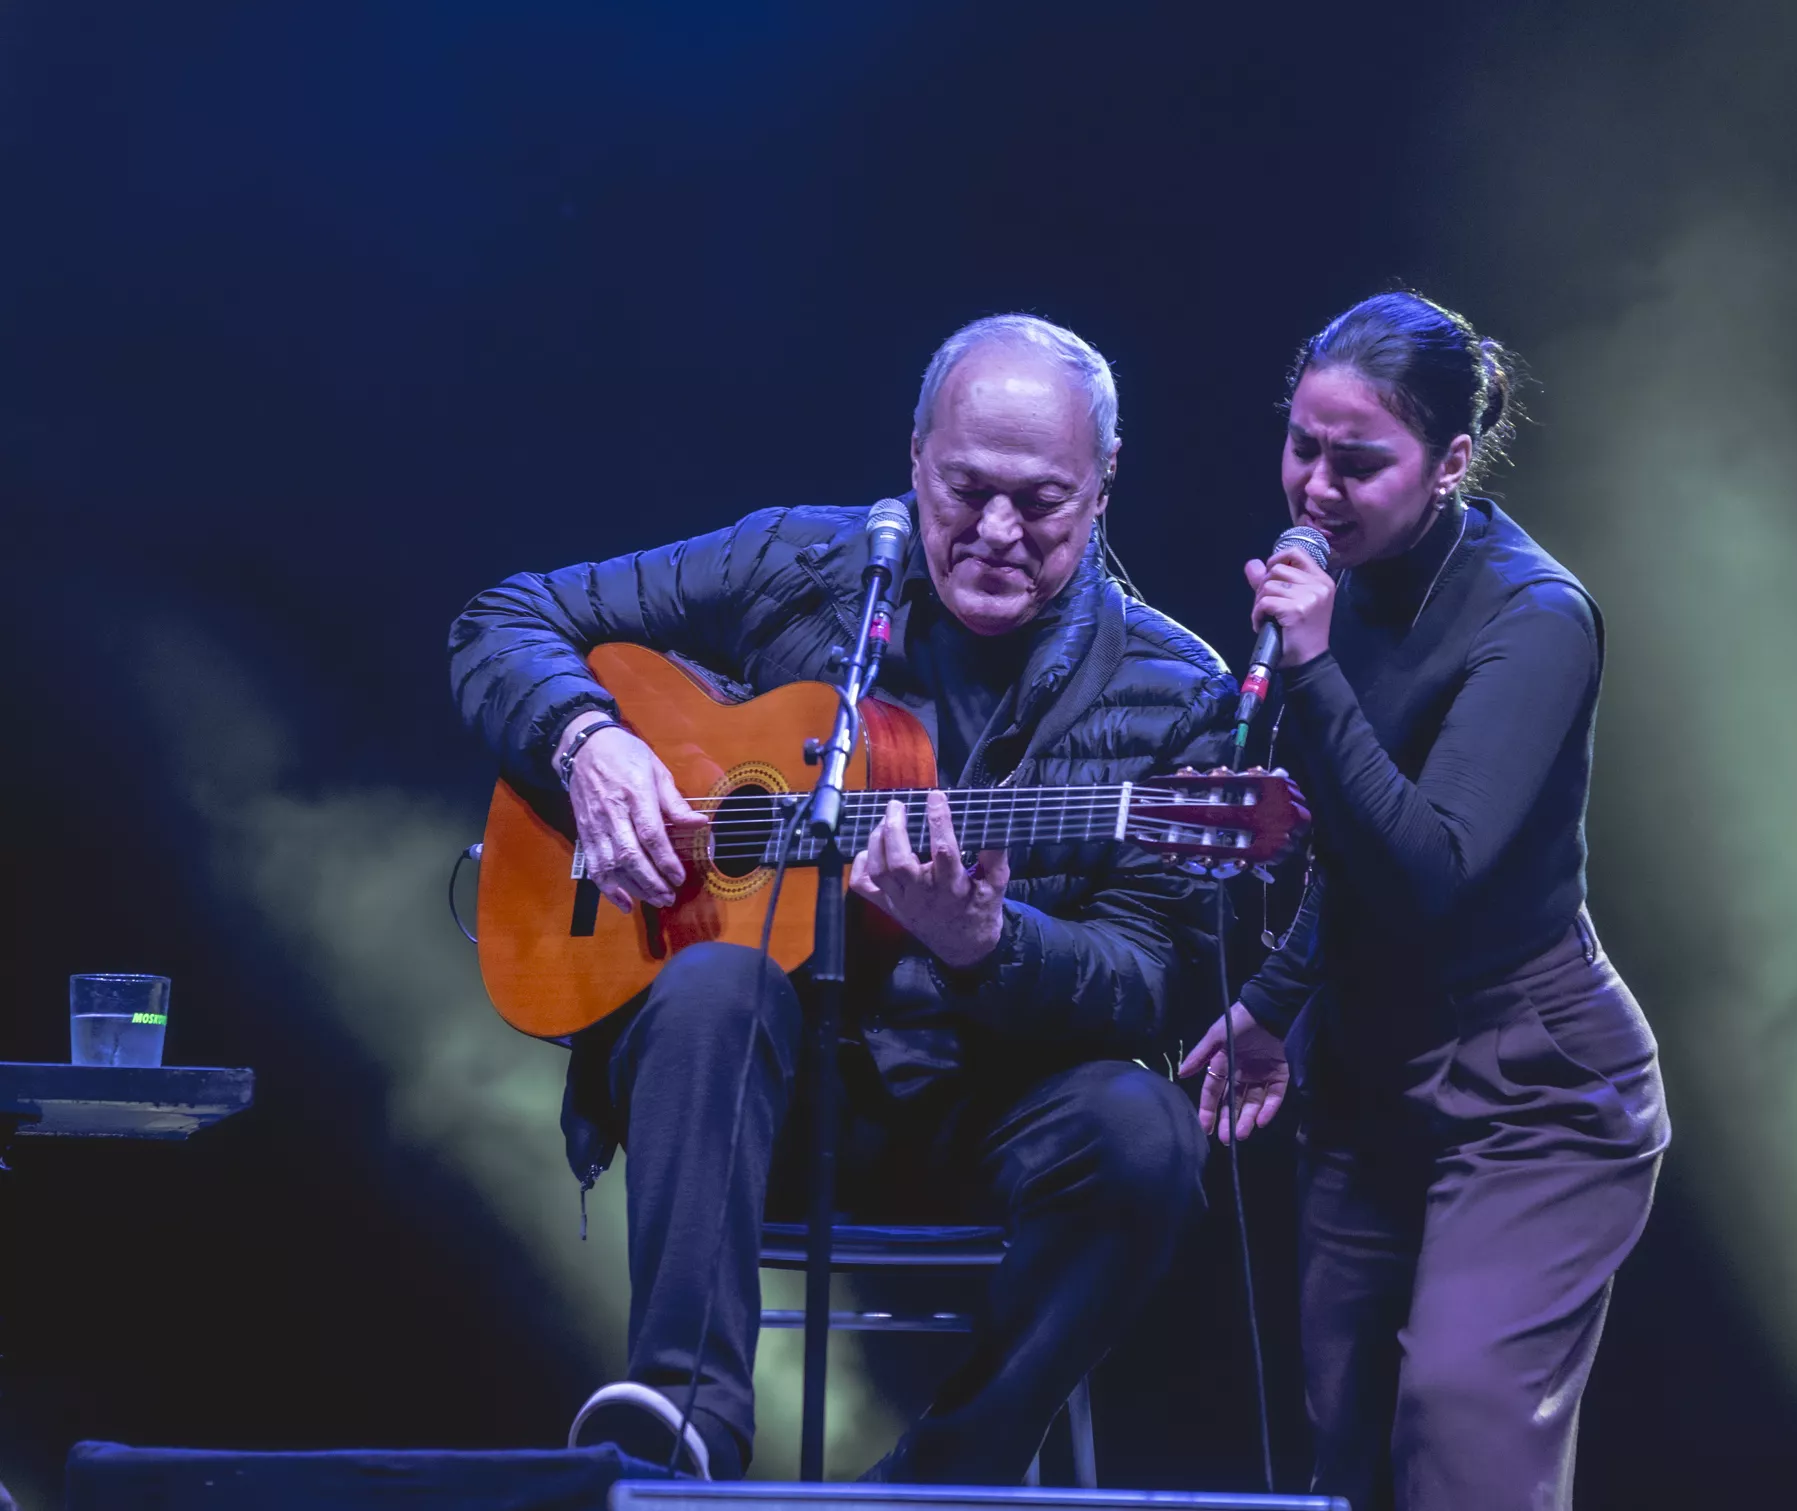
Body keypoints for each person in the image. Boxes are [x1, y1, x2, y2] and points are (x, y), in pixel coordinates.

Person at [451, 314, 1235, 1483]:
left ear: (1105, 482)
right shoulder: (802, 564)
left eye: (1045, 501)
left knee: (1146, 1130)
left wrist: (989, 942)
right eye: (966, 489)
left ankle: (943, 1478)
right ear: (915, 453)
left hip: (988, 1109)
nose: (1000, 532)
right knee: (717, 975)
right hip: (761, 1101)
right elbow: (503, 619)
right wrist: (585, 745)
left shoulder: (1176, 692)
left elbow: (1154, 981)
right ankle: (686, 1434)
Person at [1178, 292, 1669, 1510]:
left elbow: (1430, 872)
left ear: (1450, 462)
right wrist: (1276, 998)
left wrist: (1313, 665)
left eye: (1358, 461)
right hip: (1370, 1062)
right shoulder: (1343, 584)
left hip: (1535, 1078)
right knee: (1344, 1439)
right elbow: (1347, 856)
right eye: (1301, 445)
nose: (1314, 488)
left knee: (1459, 1430)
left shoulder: (1533, 616)